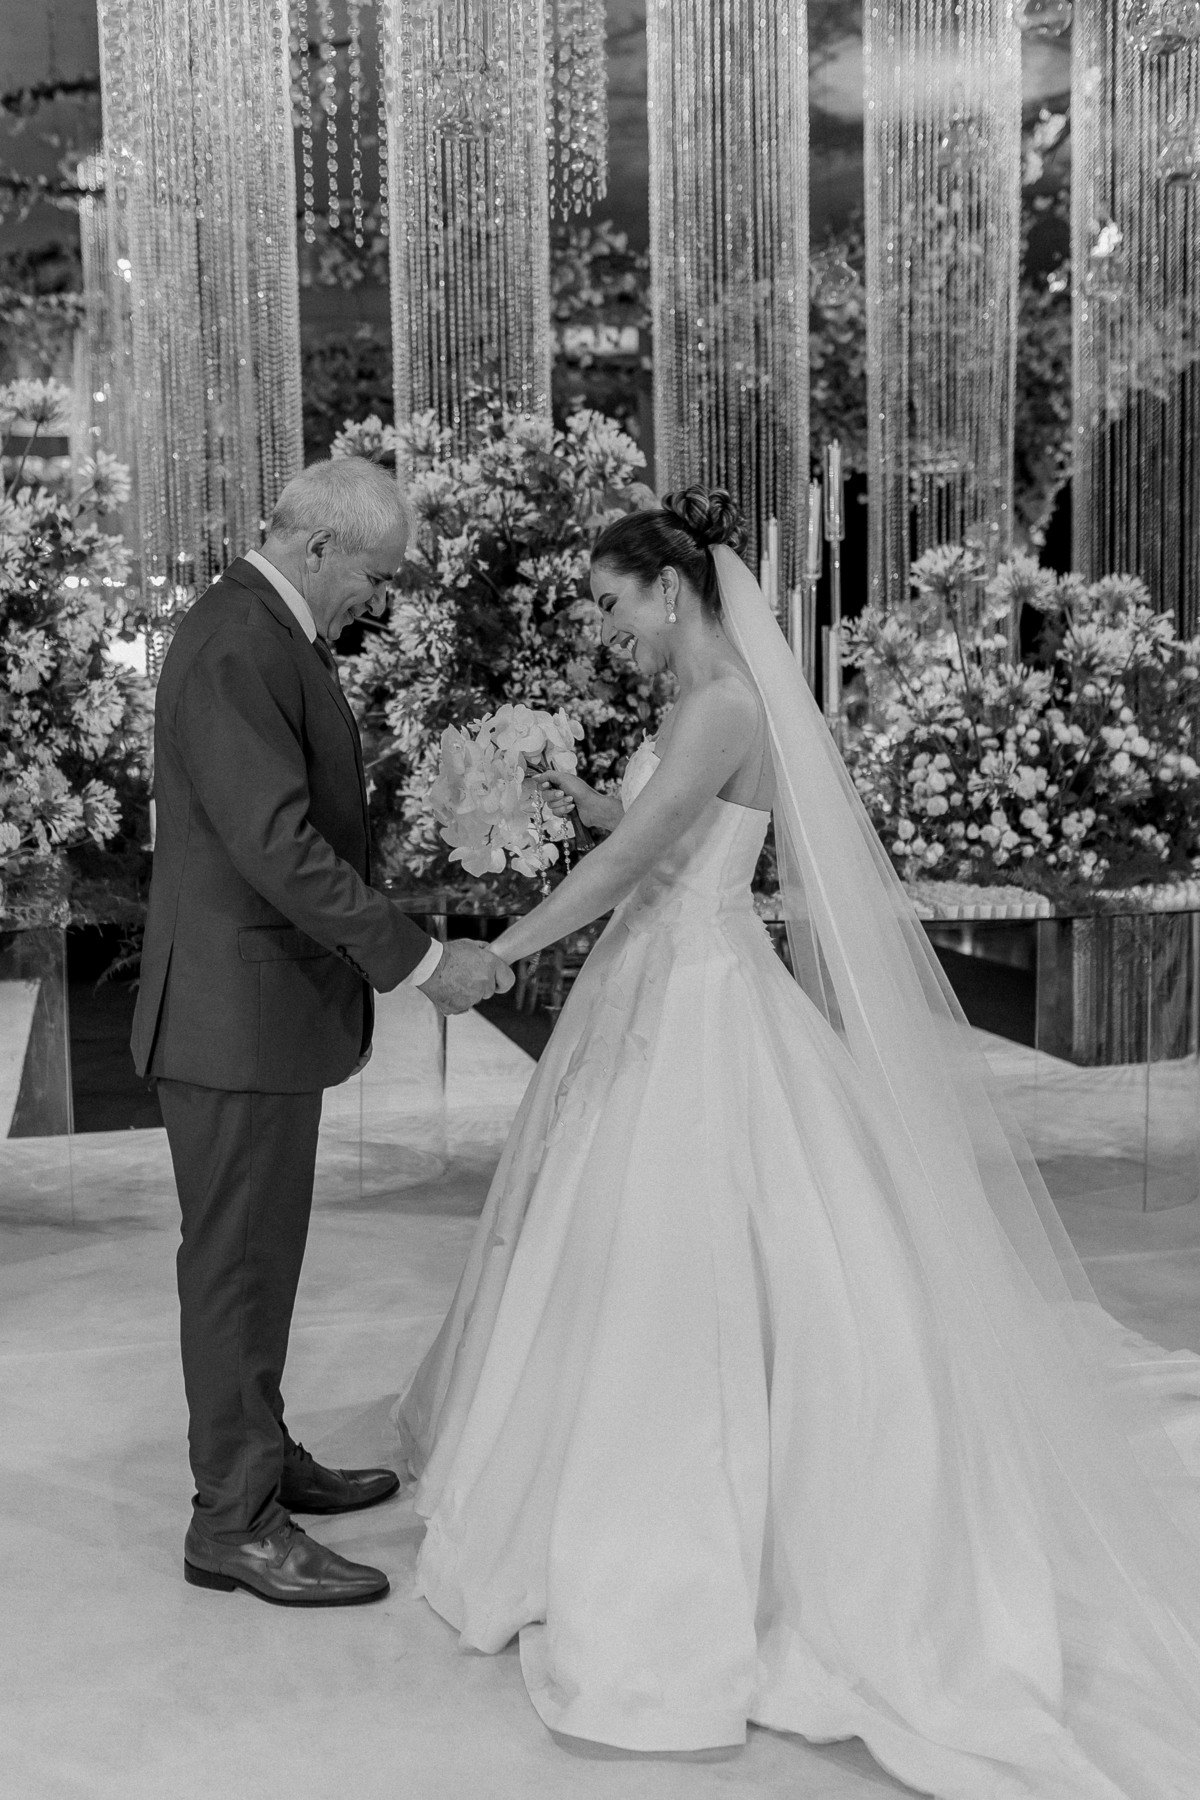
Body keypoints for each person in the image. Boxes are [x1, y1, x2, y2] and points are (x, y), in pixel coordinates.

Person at [398, 487, 1200, 1796]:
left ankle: (709, 1540)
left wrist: (501, 952)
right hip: (657, 976)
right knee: (629, 1237)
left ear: (671, 588)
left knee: (695, 1250)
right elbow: (644, 832)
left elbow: (635, 865)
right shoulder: (693, 706)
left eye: (610, 602)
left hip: (701, 990)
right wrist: (553, 791)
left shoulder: (723, 706)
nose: (605, 629)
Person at [132, 457, 512, 1607]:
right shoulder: (239, 640)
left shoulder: (260, 631)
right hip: (231, 1018)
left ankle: (259, 1456)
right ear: (318, 547)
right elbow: (279, 846)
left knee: (259, 1262)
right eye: (376, 578)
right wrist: (421, 960)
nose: (377, 602)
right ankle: (233, 1520)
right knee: (237, 1270)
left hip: (255, 1014)